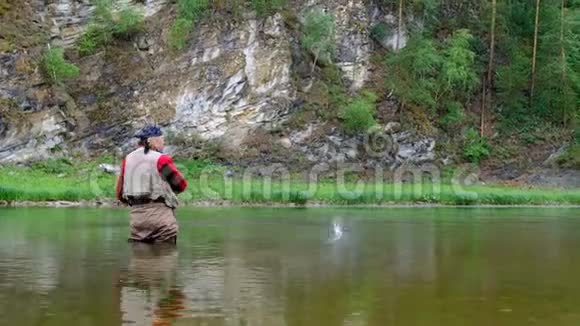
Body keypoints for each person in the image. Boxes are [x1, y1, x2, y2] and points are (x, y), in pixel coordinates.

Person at [116, 125, 188, 244]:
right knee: (165, 256)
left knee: (140, 258)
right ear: (153, 141)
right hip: (160, 217)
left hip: (137, 219)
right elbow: (180, 184)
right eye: (162, 139)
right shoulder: (161, 159)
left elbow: (119, 193)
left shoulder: (127, 159)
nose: (163, 143)